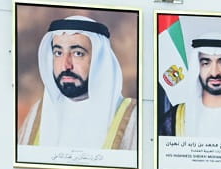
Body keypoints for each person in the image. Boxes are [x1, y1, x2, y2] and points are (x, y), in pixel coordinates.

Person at [19, 16, 139, 151]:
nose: (66, 65)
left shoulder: (132, 116)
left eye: (77, 53)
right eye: (58, 53)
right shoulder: (38, 113)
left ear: (99, 61)